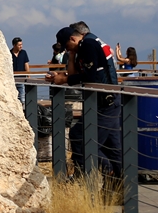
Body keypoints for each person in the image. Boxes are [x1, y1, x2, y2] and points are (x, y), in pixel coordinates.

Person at [45, 23, 122, 179]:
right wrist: (71, 60)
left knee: (81, 137)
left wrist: (64, 79)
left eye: (67, 46)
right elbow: (76, 74)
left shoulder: (88, 45)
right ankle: (119, 184)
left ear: (73, 39)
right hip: (105, 101)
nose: (66, 50)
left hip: (105, 102)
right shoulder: (82, 47)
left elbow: (89, 77)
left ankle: (85, 177)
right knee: (112, 147)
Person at [11, 37, 31, 102]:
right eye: (19, 45)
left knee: (22, 97)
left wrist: (28, 75)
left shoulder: (23, 53)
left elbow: (26, 64)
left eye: (21, 45)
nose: (21, 46)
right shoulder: (9, 53)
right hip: (12, 78)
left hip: (21, 78)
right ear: (14, 45)